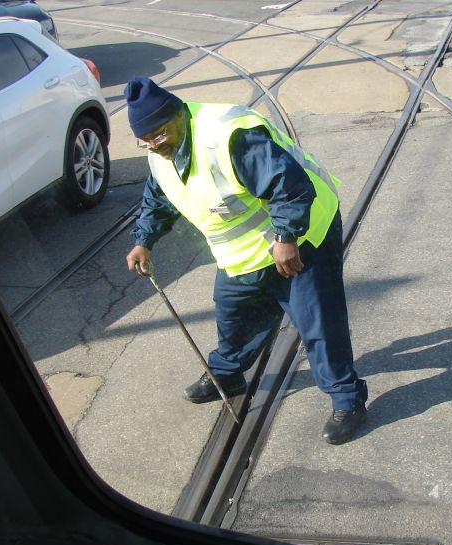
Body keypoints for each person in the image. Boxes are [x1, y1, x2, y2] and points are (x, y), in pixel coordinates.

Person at [123, 76, 367, 445]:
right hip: (245, 252)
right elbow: (158, 198)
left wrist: (286, 238)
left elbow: (290, 185)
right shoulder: (161, 154)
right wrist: (144, 241)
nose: (155, 146)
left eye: (159, 135)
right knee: (234, 313)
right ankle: (228, 374)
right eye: (146, 141)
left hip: (301, 234)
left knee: (317, 321)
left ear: (178, 114)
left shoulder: (228, 135)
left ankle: (348, 400)